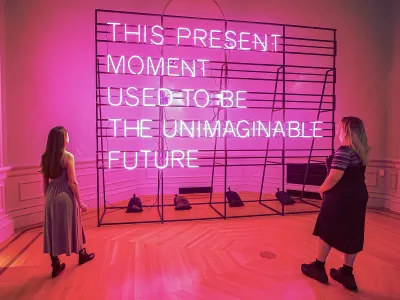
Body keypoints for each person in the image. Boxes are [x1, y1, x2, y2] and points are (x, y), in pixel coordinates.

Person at [301, 117, 370, 291]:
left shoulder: (344, 151)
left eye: (339, 127)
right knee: (353, 231)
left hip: (341, 196)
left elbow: (335, 176)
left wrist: (321, 189)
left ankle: (318, 267)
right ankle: (347, 274)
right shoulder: (361, 152)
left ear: (346, 130)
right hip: (358, 195)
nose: (337, 129)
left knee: (327, 228)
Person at [41, 126, 95, 278]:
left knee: (52, 229)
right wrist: (81, 202)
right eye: (66, 135)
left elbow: (45, 182)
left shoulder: (44, 157)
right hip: (65, 196)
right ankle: (82, 254)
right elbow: (72, 182)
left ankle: (55, 264)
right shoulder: (68, 156)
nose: (68, 136)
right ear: (62, 139)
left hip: (50, 196)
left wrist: (47, 199)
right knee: (74, 224)